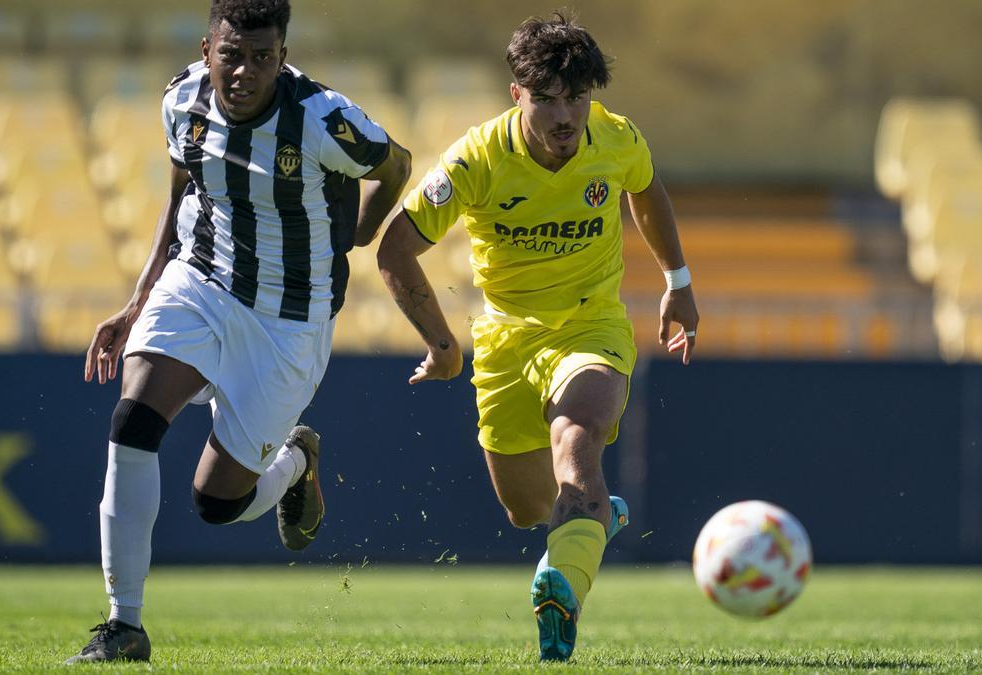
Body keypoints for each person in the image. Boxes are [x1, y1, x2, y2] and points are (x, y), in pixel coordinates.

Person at [65, 0, 411, 663]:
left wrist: (359, 234)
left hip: (289, 321)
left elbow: (395, 163)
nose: (245, 72)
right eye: (231, 55)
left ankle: (300, 460)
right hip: (200, 282)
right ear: (207, 49)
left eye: (262, 57)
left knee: (219, 503)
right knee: (133, 418)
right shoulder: (181, 101)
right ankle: (123, 623)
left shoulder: (319, 117)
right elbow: (181, 187)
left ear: (282, 55)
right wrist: (138, 298)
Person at [376, 11, 699, 662]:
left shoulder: (616, 138)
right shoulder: (477, 158)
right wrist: (441, 342)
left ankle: (562, 591)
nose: (564, 116)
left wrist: (678, 279)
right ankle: (597, 514)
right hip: (503, 338)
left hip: (590, 324)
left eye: (576, 97)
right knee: (528, 510)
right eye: (546, 98)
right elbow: (394, 250)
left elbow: (646, 188)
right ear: (516, 94)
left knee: (577, 440)